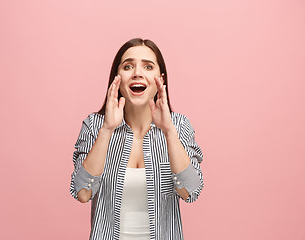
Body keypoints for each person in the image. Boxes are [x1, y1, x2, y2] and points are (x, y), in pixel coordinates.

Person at [70, 38, 204, 240]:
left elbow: (191, 192)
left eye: (148, 66)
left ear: (160, 78)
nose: (137, 73)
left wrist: (168, 131)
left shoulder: (179, 126)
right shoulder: (95, 126)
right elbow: (82, 193)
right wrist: (107, 130)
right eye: (128, 66)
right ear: (117, 77)